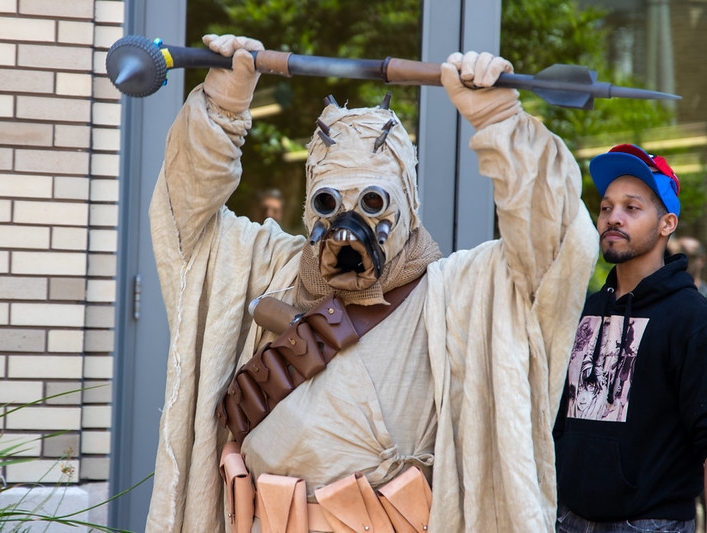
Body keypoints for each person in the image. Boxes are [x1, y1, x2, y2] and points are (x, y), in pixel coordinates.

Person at [145, 33, 598, 532]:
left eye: (372, 201)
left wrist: (502, 125)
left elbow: (557, 251)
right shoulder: (268, 267)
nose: (347, 221)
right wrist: (223, 107)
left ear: (407, 204)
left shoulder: (463, 294)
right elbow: (184, 216)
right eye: (328, 200)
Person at [553, 144, 707, 533]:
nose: (612, 218)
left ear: (666, 224)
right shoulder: (586, 310)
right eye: (606, 208)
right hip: (567, 518)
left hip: (650, 524)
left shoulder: (690, 317)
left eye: (631, 208)